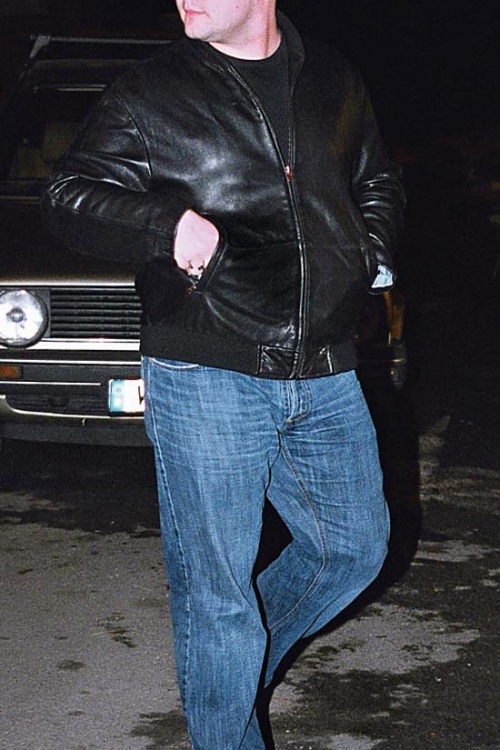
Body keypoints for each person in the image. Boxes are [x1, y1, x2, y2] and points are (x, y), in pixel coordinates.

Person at [42, 1, 405, 748]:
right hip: (207, 365)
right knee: (217, 598)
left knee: (353, 550)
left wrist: (365, 256)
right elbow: (68, 195)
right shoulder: (152, 90)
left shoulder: (332, 77)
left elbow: (375, 179)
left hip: (323, 365)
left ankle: (229, 672)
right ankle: (226, 703)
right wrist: (165, 223)